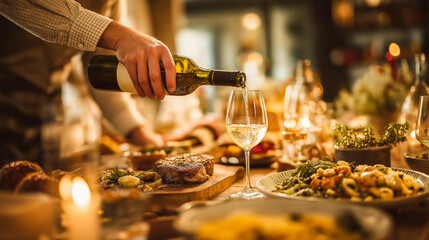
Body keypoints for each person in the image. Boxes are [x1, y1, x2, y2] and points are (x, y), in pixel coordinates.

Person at [0, 0, 177, 167]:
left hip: (51, 110)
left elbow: (102, 73)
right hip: (5, 101)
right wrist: (118, 34)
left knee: (36, 190)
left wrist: (140, 133)